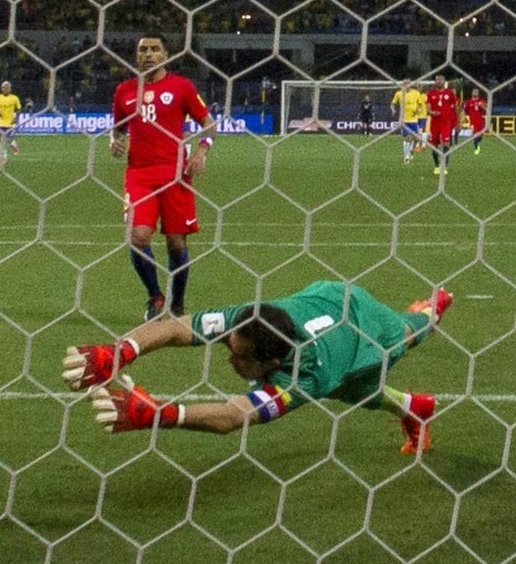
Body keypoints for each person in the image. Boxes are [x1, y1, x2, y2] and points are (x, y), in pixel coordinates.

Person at [62, 281, 452, 455]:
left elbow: (235, 415)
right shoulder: (249, 321)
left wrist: (161, 415)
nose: (228, 359)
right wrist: (118, 352)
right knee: (347, 389)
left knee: (409, 332)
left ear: (273, 364)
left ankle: (432, 307)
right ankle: (415, 408)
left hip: (364, 326)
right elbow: (176, 328)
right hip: (326, 297)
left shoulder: (305, 377)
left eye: (240, 359)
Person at [111, 34, 216, 321]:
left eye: (154, 49)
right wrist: (115, 141)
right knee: (138, 236)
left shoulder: (181, 87)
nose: (148, 54)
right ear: (136, 56)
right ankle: (155, 296)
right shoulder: (124, 91)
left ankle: (177, 304)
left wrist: (202, 152)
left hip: (176, 174)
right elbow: (119, 128)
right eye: (142, 49)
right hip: (139, 175)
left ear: (165, 55)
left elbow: (208, 124)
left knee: (176, 244)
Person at [426, 74, 459, 175]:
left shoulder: (450, 93)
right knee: (434, 145)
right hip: (435, 123)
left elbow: (456, 107)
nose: (439, 81)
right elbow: (427, 108)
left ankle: (444, 166)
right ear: (435, 82)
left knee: (446, 144)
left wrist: (458, 121)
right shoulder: (430, 93)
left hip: (446, 122)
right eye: (437, 80)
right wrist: (432, 112)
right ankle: (436, 166)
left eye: (441, 80)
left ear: (444, 81)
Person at [389, 79, 423, 164]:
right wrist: (393, 110)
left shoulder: (416, 93)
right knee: (407, 138)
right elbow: (392, 104)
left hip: (414, 120)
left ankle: (411, 151)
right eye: (404, 84)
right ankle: (406, 157)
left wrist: (418, 110)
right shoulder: (399, 94)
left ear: (410, 85)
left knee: (416, 138)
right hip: (403, 120)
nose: (406, 85)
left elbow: (420, 105)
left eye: (407, 83)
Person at [0, 81, 21, 164]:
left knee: (8, 139)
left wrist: (16, 118)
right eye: (4, 88)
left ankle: (14, 145)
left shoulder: (14, 98)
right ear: (2, 89)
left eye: (8, 88)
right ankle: (4, 157)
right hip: (0, 123)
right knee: (2, 140)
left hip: (10, 122)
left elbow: (19, 109)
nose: (6, 89)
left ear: (10, 89)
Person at [463, 87, 487, 155]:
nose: (475, 93)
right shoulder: (468, 102)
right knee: (475, 135)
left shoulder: (481, 101)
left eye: (477, 92)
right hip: (473, 122)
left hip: (480, 121)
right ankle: (476, 148)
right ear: (472, 93)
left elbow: (486, 110)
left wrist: (482, 106)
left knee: (481, 136)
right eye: (474, 91)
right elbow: (466, 111)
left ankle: (478, 142)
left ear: (478, 94)